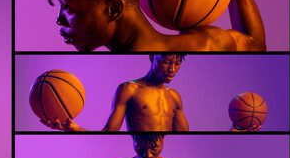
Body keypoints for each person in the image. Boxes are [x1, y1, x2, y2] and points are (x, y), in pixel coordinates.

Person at [39, 0, 266, 51]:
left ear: (114, 9)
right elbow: (256, 43)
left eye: (67, 8)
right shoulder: (206, 42)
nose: (59, 19)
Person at [42, 54, 261, 132]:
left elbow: (185, 138)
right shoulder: (129, 89)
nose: (172, 68)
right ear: (151, 56)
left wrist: (234, 132)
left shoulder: (174, 96)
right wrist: (74, 129)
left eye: (177, 63)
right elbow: (110, 132)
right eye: (166, 61)